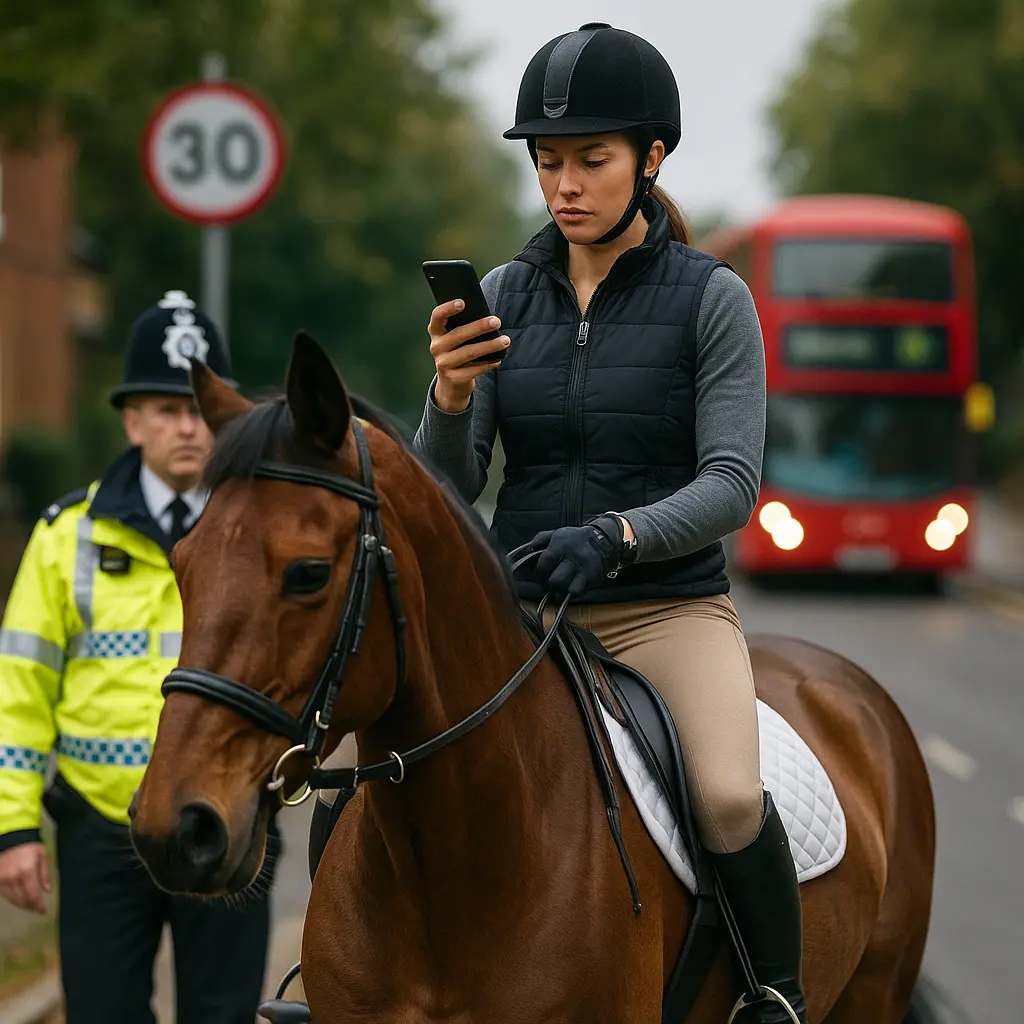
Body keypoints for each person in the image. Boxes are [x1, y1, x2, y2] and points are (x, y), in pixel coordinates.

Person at [412, 24, 806, 1023]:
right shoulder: (501, 295)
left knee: (723, 796)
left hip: (663, 612)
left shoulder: (712, 299)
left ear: (651, 156)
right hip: (523, 611)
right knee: (385, 757)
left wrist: (621, 536)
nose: (565, 184)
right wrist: (450, 398)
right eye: (548, 163)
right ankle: (350, 976)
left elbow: (731, 482)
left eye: (591, 159)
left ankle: (774, 992)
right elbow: (445, 493)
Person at [0, 291, 276, 1024]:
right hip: (103, 827)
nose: (188, 426)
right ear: (131, 421)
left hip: (226, 821)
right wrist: (15, 829)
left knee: (223, 1016)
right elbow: (19, 692)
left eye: (200, 408)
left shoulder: (266, 536)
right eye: (166, 409)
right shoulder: (68, 536)